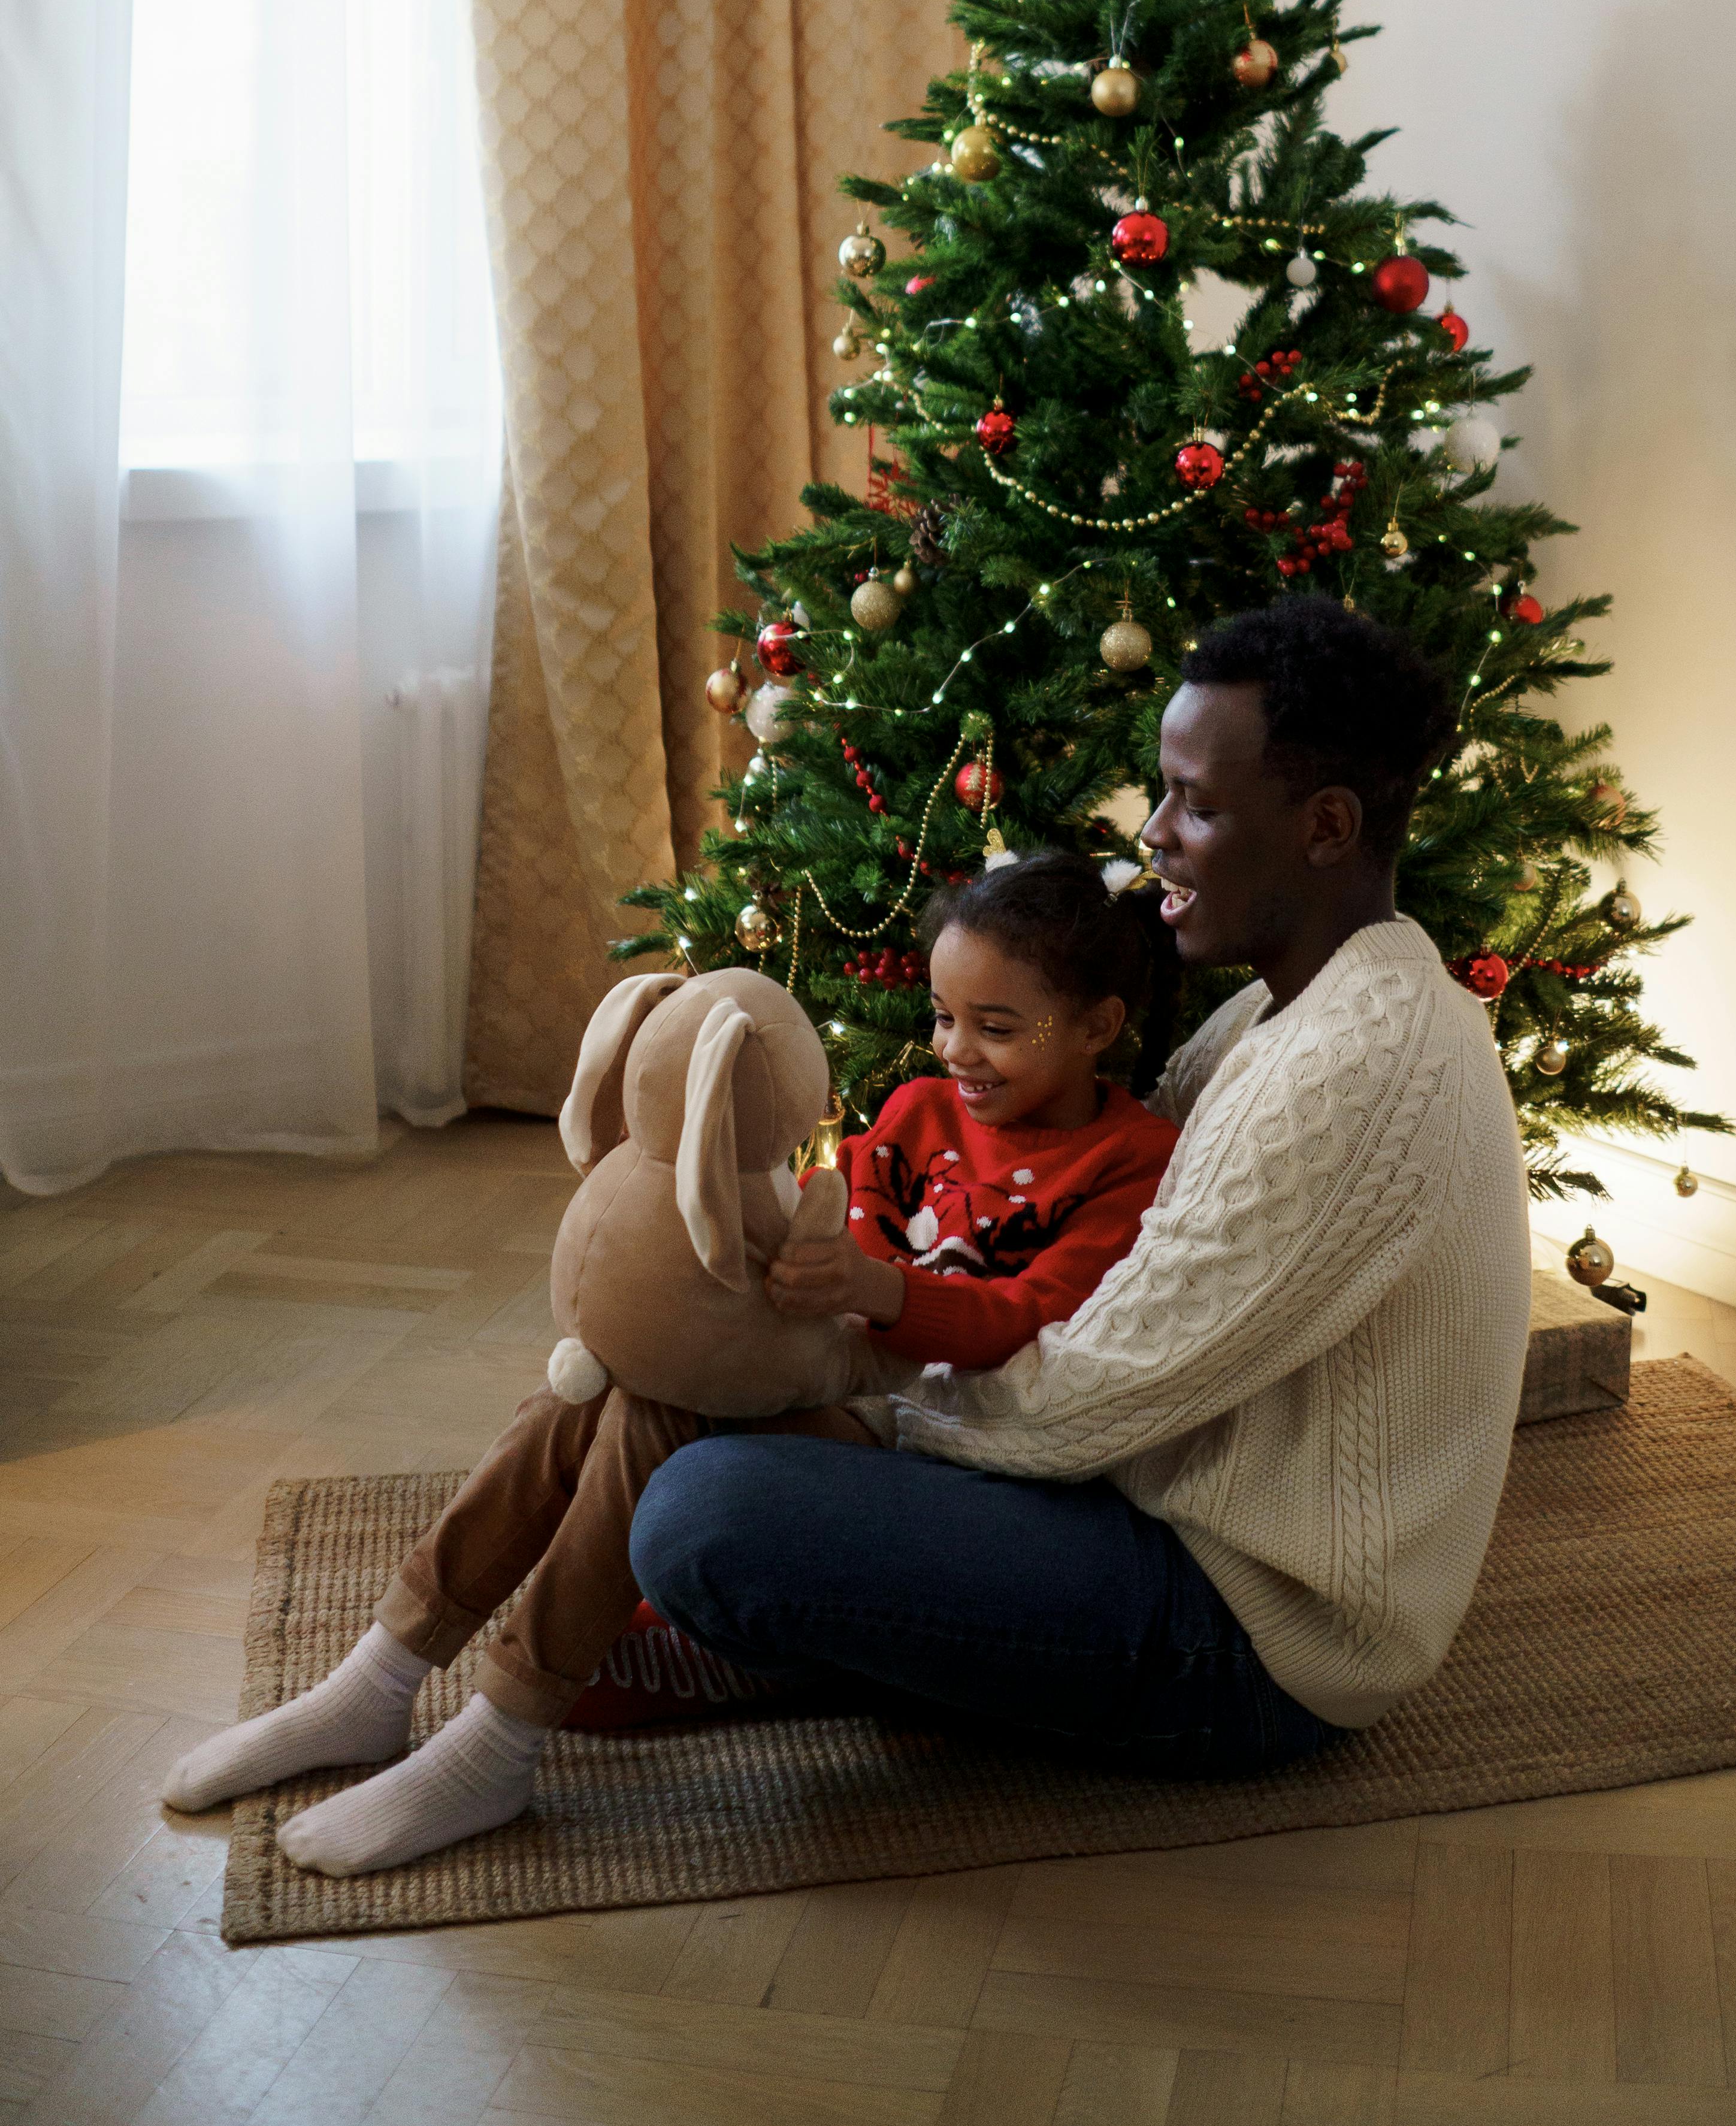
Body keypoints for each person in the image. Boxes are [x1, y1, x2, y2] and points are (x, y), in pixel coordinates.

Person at [629, 596, 1535, 1780]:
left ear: (1323, 825)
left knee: (707, 1512)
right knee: (720, 1433)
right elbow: (1109, 1291)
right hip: (1154, 1506)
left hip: (1255, 1634)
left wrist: (864, 1400)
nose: (1153, 831)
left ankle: (800, 1639)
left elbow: (1087, 1398)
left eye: (1196, 803)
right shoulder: (1294, 1002)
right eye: (1161, 791)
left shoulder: (1349, 1064)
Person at [157, 853, 1174, 1869]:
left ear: (1098, 1025)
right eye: (947, 1016)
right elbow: (840, 1210)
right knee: (588, 1383)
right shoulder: (917, 1110)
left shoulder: (1131, 1158)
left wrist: (875, 1288)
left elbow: (1034, 1312)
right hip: (830, 1372)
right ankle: (378, 1676)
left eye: (997, 1026)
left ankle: (499, 1742)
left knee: (660, 1409)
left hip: (928, 1443)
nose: (959, 1049)